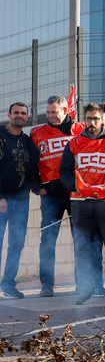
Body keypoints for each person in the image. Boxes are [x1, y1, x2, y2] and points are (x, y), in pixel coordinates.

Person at [59, 103, 105, 305]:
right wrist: (76, 186)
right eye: (89, 118)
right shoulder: (73, 143)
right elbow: (63, 173)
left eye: (96, 118)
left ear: (102, 120)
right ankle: (85, 289)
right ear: (84, 119)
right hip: (80, 203)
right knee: (83, 248)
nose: (92, 123)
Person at [31, 94, 84, 297]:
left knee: (80, 239)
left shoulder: (79, 130)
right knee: (48, 240)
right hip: (50, 195)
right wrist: (38, 187)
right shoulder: (37, 132)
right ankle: (47, 285)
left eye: (55, 112)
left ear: (65, 110)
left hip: (75, 193)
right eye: (48, 112)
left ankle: (82, 283)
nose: (51, 116)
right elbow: (30, 164)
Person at [0, 102, 39, 299]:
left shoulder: (27, 141)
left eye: (23, 113)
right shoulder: (0, 135)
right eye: (16, 113)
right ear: (9, 114)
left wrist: (41, 189)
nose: (20, 116)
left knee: (16, 244)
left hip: (21, 202)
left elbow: (33, 169)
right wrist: (1, 197)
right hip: (2, 202)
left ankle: (8, 285)